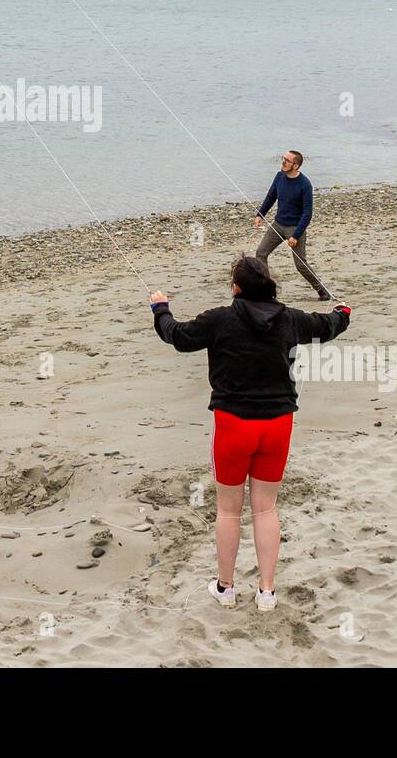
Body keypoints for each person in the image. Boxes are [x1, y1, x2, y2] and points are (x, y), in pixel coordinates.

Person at [149, 256, 351, 610]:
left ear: (236, 287)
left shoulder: (222, 318)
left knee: (229, 511)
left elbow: (177, 336)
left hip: (235, 425)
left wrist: (160, 308)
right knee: (265, 508)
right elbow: (326, 327)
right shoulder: (288, 319)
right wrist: (343, 313)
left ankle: (227, 587)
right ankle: (266, 592)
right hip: (277, 425)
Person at [254, 149, 330, 300]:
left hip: (295, 228)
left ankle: (322, 290)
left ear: (295, 166)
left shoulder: (305, 184)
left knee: (300, 265)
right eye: (283, 158)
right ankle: (268, 291)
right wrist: (260, 215)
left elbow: (307, 214)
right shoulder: (279, 176)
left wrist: (295, 235)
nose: (283, 162)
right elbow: (271, 196)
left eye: (287, 160)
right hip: (278, 225)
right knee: (260, 254)